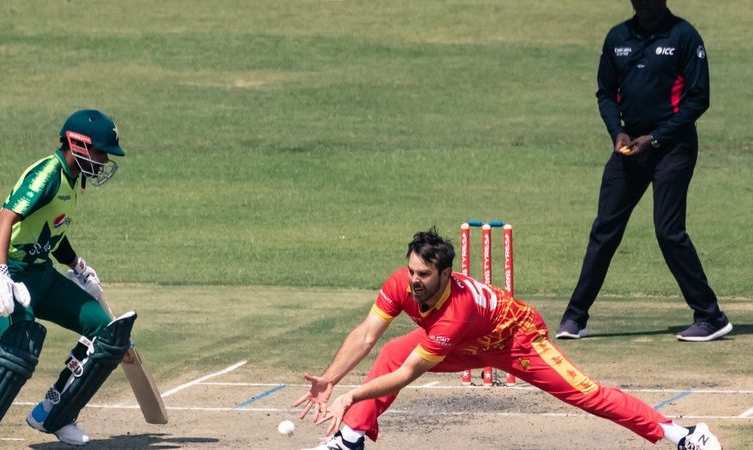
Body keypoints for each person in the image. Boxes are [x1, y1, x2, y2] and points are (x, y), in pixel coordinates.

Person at [292, 229, 722, 450]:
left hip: (517, 341)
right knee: (389, 348)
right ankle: (350, 440)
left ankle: (683, 434)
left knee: (587, 394)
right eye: (411, 271)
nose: (414, 281)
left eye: (424, 274)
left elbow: (408, 373)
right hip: (465, 345)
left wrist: (352, 395)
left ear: (446, 274)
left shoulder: (456, 312)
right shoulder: (401, 285)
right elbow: (366, 334)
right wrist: (331, 379)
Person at [0, 109, 136, 450]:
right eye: (100, 153)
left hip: (40, 274)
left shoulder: (74, 180)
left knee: (106, 332)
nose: (103, 161)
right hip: (5, 273)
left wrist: (78, 266)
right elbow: (4, 219)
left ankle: (54, 414)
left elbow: (52, 232)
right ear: (77, 144)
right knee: (19, 352)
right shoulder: (48, 174)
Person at [555, 0, 732, 342]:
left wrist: (656, 138)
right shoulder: (617, 37)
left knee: (668, 231)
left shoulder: (684, 36)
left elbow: (699, 98)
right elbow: (606, 93)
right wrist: (617, 132)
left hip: (674, 146)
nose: (644, 4)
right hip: (630, 146)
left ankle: (711, 317)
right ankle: (575, 317)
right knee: (605, 229)